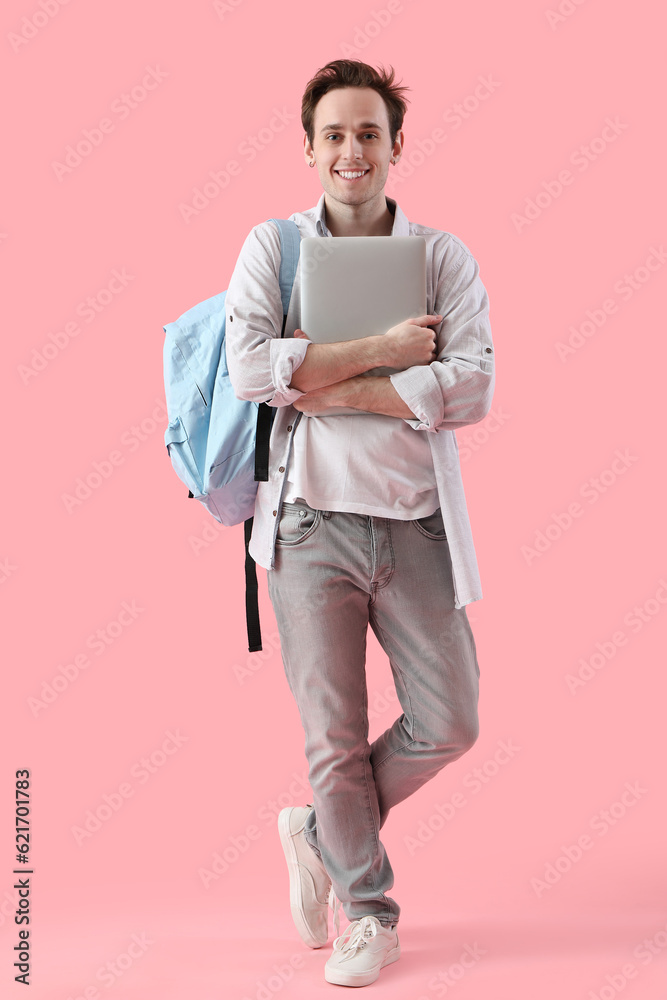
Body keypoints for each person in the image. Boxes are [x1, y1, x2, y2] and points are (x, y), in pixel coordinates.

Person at [225, 58, 495, 988]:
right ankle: (367, 912)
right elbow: (251, 370)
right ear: (309, 150)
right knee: (334, 737)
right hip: (307, 531)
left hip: (415, 525)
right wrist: (384, 356)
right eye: (334, 134)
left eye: (368, 133)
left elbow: (473, 385)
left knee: (450, 720)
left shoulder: (441, 257)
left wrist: (331, 383)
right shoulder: (273, 249)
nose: (351, 150)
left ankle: (316, 826)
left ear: (394, 147)